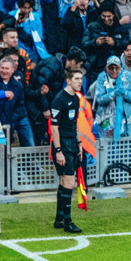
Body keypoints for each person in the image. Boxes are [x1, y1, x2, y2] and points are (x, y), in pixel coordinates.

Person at [49, 70, 92, 234]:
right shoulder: (59, 100)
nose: (80, 82)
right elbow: (54, 127)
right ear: (68, 80)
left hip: (73, 143)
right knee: (68, 181)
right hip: (63, 145)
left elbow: (74, 123)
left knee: (64, 181)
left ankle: (59, 218)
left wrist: (79, 142)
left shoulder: (76, 98)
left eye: (81, 79)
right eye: (77, 79)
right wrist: (58, 150)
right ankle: (68, 221)